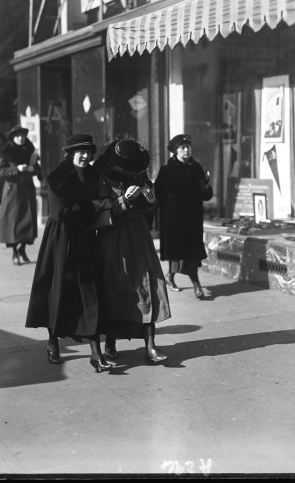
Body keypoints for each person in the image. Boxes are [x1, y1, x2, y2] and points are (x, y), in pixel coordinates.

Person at [25, 133, 112, 372]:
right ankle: (53, 341)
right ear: (70, 154)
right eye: (79, 152)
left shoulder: (95, 175)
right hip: (61, 238)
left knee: (90, 290)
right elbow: (64, 212)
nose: (84, 156)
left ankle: (96, 353)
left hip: (86, 237)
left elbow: (108, 198)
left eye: (88, 152)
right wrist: (96, 205)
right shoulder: (58, 178)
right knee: (59, 290)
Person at [92, 137, 171, 365]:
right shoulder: (101, 175)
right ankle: (110, 343)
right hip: (114, 238)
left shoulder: (138, 171)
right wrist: (123, 200)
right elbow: (98, 210)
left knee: (151, 285)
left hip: (139, 235)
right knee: (116, 288)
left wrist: (151, 200)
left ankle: (151, 346)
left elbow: (147, 205)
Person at [154, 134, 213, 299]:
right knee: (177, 254)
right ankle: (172, 278)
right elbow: (158, 193)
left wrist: (205, 185)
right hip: (173, 220)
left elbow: (206, 195)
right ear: (175, 151)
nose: (186, 151)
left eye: (188, 147)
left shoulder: (196, 168)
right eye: (182, 148)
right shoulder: (167, 170)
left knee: (192, 253)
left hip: (192, 219)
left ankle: (196, 284)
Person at [0, 125, 42, 265]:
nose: (21, 138)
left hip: (27, 189)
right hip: (13, 191)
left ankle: (23, 248)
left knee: (28, 221)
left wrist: (33, 169)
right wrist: (16, 169)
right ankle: (14, 252)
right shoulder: (6, 152)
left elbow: (38, 169)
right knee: (14, 222)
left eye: (23, 135)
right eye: (18, 136)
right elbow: (0, 171)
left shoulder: (30, 149)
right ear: (12, 138)